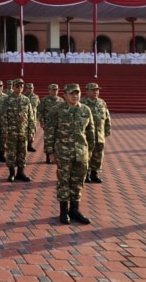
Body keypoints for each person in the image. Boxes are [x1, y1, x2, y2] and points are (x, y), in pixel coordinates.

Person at [44, 83, 94, 225]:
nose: (75, 96)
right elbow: (50, 132)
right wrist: (50, 152)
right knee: (64, 182)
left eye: (77, 93)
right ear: (65, 95)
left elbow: (91, 133)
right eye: (71, 93)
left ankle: (75, 210)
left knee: (78, 182)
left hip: (81, 153)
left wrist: (89, 151)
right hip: (63, 153)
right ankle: (64, 211)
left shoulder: (85, 110)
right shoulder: (56, 110)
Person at [2, 78, 36, 182]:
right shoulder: (7, 100)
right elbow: (3, 116)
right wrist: (5, 131)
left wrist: (31, 131)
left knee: (22, 153)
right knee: (11, 153)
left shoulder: (26, 99)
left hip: (23, 131)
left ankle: (20, 173)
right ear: (13, 87)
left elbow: (31, 116)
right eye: (18, 86)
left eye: (22, 86)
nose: (20, 88)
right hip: (12, 131)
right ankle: (11, 173)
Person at [80, 83, 111, 183]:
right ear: (87, 91)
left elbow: (107, 117)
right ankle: (85, 174)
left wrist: (107, 130)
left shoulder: (102, 102)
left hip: (99, 134)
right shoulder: (82, 103)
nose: (96, 92)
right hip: (87, 135)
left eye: (97, 90)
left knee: (98, 155)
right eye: (93, 90)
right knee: (86, 154)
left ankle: (95, 173)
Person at [37, 84, 64, 164]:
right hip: (48, 124)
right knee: (48, 140)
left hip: (59, 125)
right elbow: (40, 112)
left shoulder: (61, 100)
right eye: (52, 90)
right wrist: (42, 122)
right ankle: (48, 157)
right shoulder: (45, 100)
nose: (54, 91)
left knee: (58, 140)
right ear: (49, 90)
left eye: (56, 90)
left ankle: (56, 156)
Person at [23, 83, 40, 152]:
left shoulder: (36, 97)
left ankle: (30, 145)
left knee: (32, 132)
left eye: (31, 88)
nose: (30, 89)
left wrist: (38, 117)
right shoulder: (23, 96)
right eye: (29, 88)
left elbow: (38, 106)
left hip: (33, 118)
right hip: (25, 118)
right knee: (24, 132)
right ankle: (24, 145)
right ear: (26, 89)